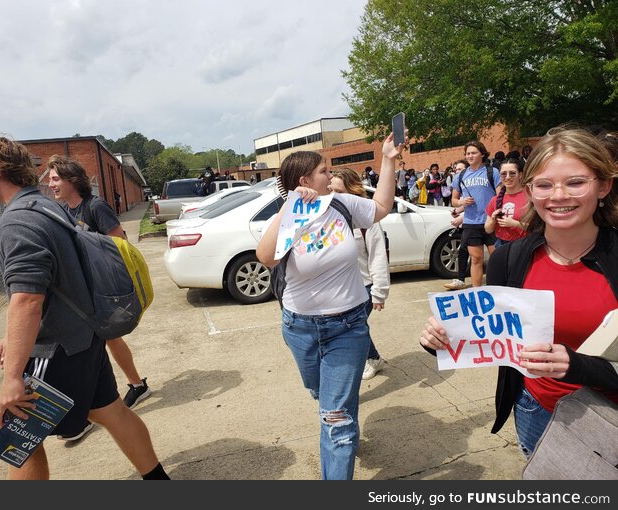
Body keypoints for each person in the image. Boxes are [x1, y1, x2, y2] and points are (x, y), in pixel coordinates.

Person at [420, 126, 618, 459]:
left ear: (603, 186)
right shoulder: (511, 259)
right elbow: (491, 334)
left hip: (610, 413)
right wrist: (442, 339)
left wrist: (579, 366)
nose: (558, 196)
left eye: (575, 182)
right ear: (530, 191)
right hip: (534, 410)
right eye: (544, 185)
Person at [0, 137, 169, 480]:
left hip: (56, 346)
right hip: (84, 336)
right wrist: (11, 335)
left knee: (19, 437)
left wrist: (11, 379)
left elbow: (27, 299)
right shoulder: (46, 206)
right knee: (111, 412)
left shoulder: (16, 221)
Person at [256, 133, 404, 480]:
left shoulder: (341, 203)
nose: (330, 174)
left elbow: (380, 208)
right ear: (304, 180)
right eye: (324, 171)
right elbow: (266, 258)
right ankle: (340, 418)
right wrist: (290, 207)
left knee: (336, 421)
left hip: (349, 327)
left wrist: (388, 159)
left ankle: (340, 441)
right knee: (322, 395)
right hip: (301, 328)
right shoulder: (290, 214)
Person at [47, 156, 152, 424]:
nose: (51, 185)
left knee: (106, 339)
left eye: (56, 179)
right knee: (102, 342)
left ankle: (128, 389)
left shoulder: (96, 207)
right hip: (82, 291)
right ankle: (127, 389)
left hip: (102, 289)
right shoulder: (66, 211)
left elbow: (119, 243)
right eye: (50, 179)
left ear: (72, 179)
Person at [328, 168, 390, 380]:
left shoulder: (367, 221)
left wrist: (379, 292)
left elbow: (378, 256)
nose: (333, 195)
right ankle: (373, 358)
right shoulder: (328, 217)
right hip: (341, 288)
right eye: (330, 190)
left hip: (364, 287)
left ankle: (366, 361)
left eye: (338, 191)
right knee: (356, 327)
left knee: (351, 330)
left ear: (352, 193)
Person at [450, 140, 502, 288]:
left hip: (490, 222)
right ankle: (476, 292)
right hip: (471, 222)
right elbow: (454, 200)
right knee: (476, 259)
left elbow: (500, 197)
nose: (470, 156)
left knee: (497, 258)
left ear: (482, 154)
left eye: (473, 153)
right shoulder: (460, 176)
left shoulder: (492, 172)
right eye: (467, 153)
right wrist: (462, 202)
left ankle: (498, 289)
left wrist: (496, 215)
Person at [484, 158, 528, 248]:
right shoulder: (495, 200)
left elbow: (537, 228)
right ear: (500, 176)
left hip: (523, 244)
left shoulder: (530, 197)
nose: (507, 177)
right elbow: (488, 229)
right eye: (503, 174)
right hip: (501, 245)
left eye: (512, 173)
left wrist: (514, 224)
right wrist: (493, 220)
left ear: (520, 175)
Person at [444, 160, 471, 290]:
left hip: (482, 223)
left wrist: (461, 218)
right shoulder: (461, 184)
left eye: (460, 169)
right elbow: (466, 204)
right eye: (455, 170)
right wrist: (457, 210)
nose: (457, 172)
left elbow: (482, 206)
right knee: (464, 251)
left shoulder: (473, 182)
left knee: (492, 254)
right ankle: (460, 280)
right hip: (470, 224)